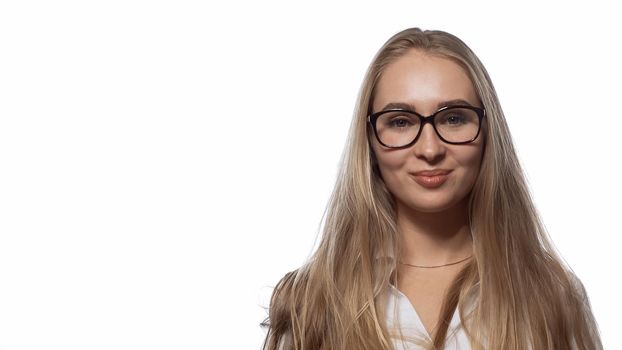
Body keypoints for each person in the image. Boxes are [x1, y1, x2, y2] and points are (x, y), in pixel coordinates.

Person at [260, 27, 603, 350]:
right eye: (400, 121)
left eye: (453, 118)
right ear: (370, 141)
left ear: (487, 131)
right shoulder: (311, 303)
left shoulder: (554, 296)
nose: (429, 149)